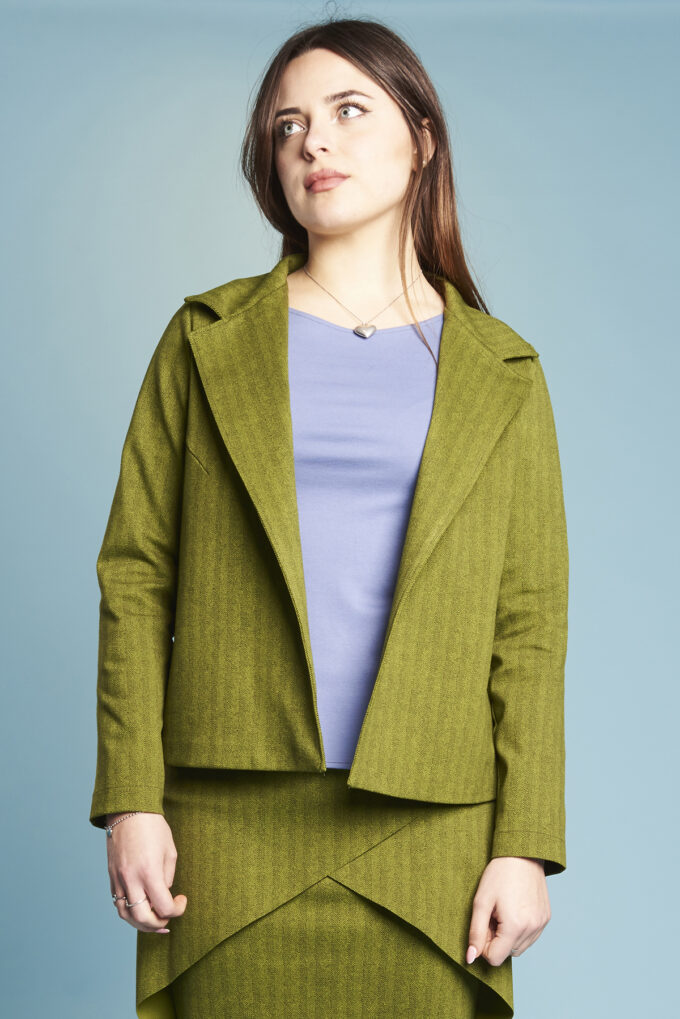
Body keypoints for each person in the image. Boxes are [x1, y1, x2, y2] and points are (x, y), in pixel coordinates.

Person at [90, 16, 568, 1019]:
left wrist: (524, 842)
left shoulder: (504, 371)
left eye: (349, 110)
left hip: (435, 833)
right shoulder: (203, 339)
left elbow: (528, 624)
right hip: (223, 826)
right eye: (289, 125)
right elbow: (136, 574)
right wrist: (131, 797)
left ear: (422, 139)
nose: (314, 141)